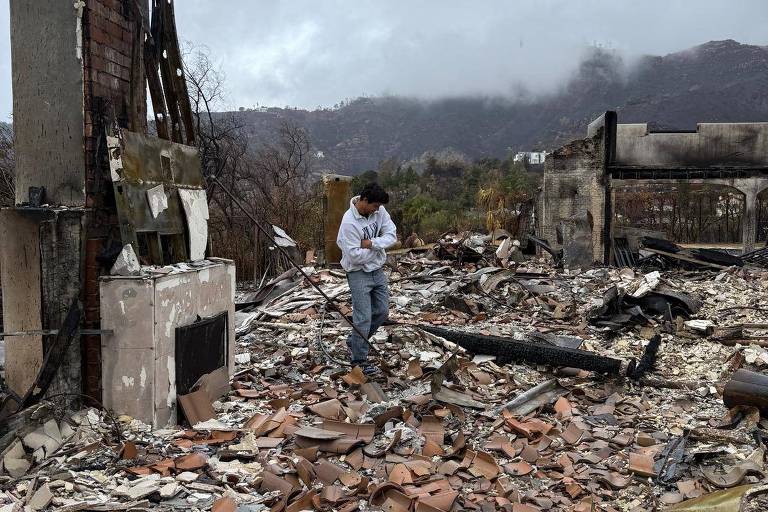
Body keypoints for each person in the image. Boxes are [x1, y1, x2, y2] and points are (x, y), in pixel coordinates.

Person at [336, 183, 397, 375]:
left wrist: (371, 244)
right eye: (374, 206)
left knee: (382, 311)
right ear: (363, 200)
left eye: (379, 206)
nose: (377, 209)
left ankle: (355, 341)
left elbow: (391, 236)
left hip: (377, 270)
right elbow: (354, 256)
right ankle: (359, 361)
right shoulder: (349, 223)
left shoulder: (380, 211)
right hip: (357, 273)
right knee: (362, 317)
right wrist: (378, 250)